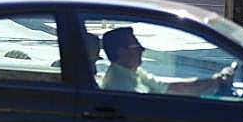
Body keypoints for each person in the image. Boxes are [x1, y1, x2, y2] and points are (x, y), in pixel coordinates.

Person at [100, 27, 233, 96]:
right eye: (137, 47)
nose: (143, 50)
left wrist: (216, 80)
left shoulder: (132, 73)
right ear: (121, 51)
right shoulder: (120, 86)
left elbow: (172, 88)